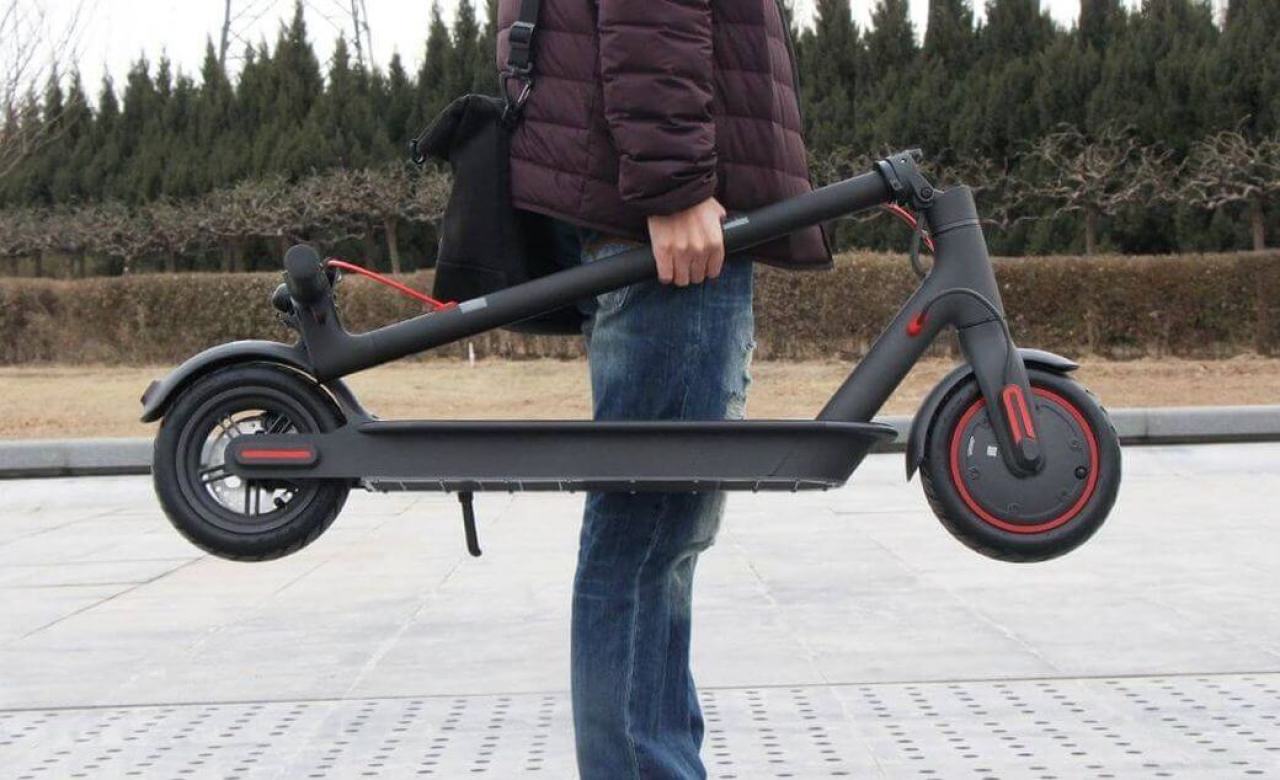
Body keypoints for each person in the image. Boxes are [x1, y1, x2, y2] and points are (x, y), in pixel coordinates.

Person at [495, 1, 830, 777]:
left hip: (634, 202)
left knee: (654, 539)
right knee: (646, 537)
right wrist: (672, 185)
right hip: (663, 219)